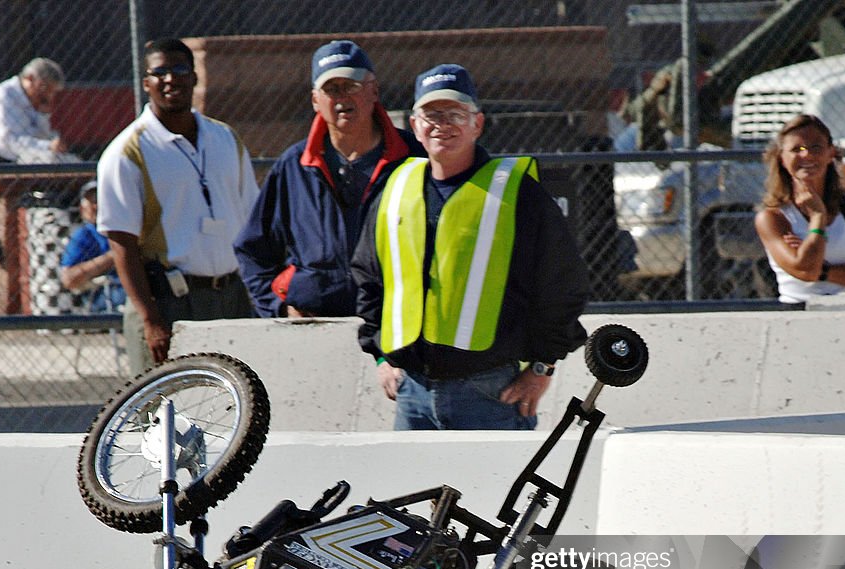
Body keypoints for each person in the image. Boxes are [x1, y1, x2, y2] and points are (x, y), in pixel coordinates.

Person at [352, 64, 590, 430]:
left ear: (477, 124)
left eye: (455, 114)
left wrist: (542, 367)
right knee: (412, 489)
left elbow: (562, 284)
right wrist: (382, 357)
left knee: (494, 490)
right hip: (411, 394)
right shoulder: (396, 188)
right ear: (414, 125)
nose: (441, 125)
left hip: (490, 393)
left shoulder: (517, 193)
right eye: (431, 114)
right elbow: (370, 276)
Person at [97, 38, 260, 374]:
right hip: (170, 302)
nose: (171, 79)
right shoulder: (127, 152)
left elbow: (251, 219)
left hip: (232, 294)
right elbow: (121, 243)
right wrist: (150, 318)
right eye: (160, 72)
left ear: (195, 77)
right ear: (146, 84)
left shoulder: (225, 138)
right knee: (165, 414)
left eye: (180, 69)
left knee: (242, 406)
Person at [234, 40, 423, 318]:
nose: (342, 98)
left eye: (352, 86)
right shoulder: (294, 164)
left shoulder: (414, 159)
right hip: (316, 326)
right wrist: (279, 308)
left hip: (396, 321)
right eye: (331, 89)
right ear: (315, 100)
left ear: (374, 91)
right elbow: (252, 250)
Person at [754, 114, 845, 305]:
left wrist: (822, 271)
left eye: (816, 147)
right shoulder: (772, 217)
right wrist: (817, 217)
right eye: (797, 149)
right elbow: (805, 270)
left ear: (831, 153)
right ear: (782, 157)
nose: (807, 155)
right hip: (801, 315)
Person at [0, 58, 76, 164]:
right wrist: (47, 146)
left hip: (19, 160)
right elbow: (8, 140)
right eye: (44, 88)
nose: (48, 96)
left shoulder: (33, 101)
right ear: (30, 78)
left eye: (52, 92)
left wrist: (43, 115)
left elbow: (40, 136)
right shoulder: (4, 94)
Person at [59, 181, 126, 313]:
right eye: (92, 201)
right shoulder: (84, 235)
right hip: (105, 293)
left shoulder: (124, 228)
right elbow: (69, 279)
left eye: (101, 199)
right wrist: (111, 257)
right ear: (82, 208)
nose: (97, 206)